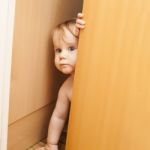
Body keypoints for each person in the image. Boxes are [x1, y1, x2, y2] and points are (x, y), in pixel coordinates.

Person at [36, 13, 85, 150]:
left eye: (71, 48)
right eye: (58, 50)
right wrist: (51, 144)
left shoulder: (96, 76)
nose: (62, 55)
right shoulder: (66, 88)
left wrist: (88, 30)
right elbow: (59, 117)